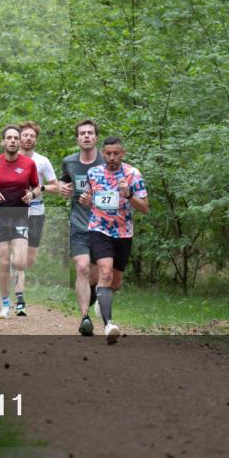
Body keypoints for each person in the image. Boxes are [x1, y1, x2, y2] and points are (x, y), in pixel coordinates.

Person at [80, 136, 149, 344]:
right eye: (108, 153)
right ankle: (109, 325)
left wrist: (129, 195)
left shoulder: (133, 174)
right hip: (99, 229)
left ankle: (101, 297)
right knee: (105, 272)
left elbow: (145, 208)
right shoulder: (94, 173)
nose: (112, 157)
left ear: (122, 153)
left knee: (116, 281)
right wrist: (85, 200)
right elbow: (89, 197)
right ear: (103, 153)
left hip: (123, 233)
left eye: (116, 153)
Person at [0, 125, 39, 319]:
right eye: (9, 138)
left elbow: (36, 187)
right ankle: (5, 303)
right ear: (3, 141)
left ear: (19, 141)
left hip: (20, 217)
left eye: (16, 138)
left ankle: (19, 292)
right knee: (4, 262)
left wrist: (32, 194)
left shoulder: (29, 164)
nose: (13, 141)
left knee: (20, 262)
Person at [58, 119, 106, 336]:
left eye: (90, 133)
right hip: (78, 224)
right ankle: (85, 318)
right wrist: (63, 187)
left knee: (96, 272)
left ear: (96, 137)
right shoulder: (69, 162)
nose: (86, 136)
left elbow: (116, 193)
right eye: (82, 133)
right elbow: (63, 181)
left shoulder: (107, 160)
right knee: (82, 267)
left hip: (103, 226)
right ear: (77, 138)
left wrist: (93, 200)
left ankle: (93, 291)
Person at [16, 121, 60, 316]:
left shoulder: (42, 161)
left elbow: (56, 187)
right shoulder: (10, 159)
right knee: (18, 258)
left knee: (29, 260)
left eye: (32, 136)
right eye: (25, 135)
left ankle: (17, 271)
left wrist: (39, 189)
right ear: (19, 138)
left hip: (36, 210)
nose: (28, 138)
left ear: (36, 139)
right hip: (15, 211)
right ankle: (20, 300)